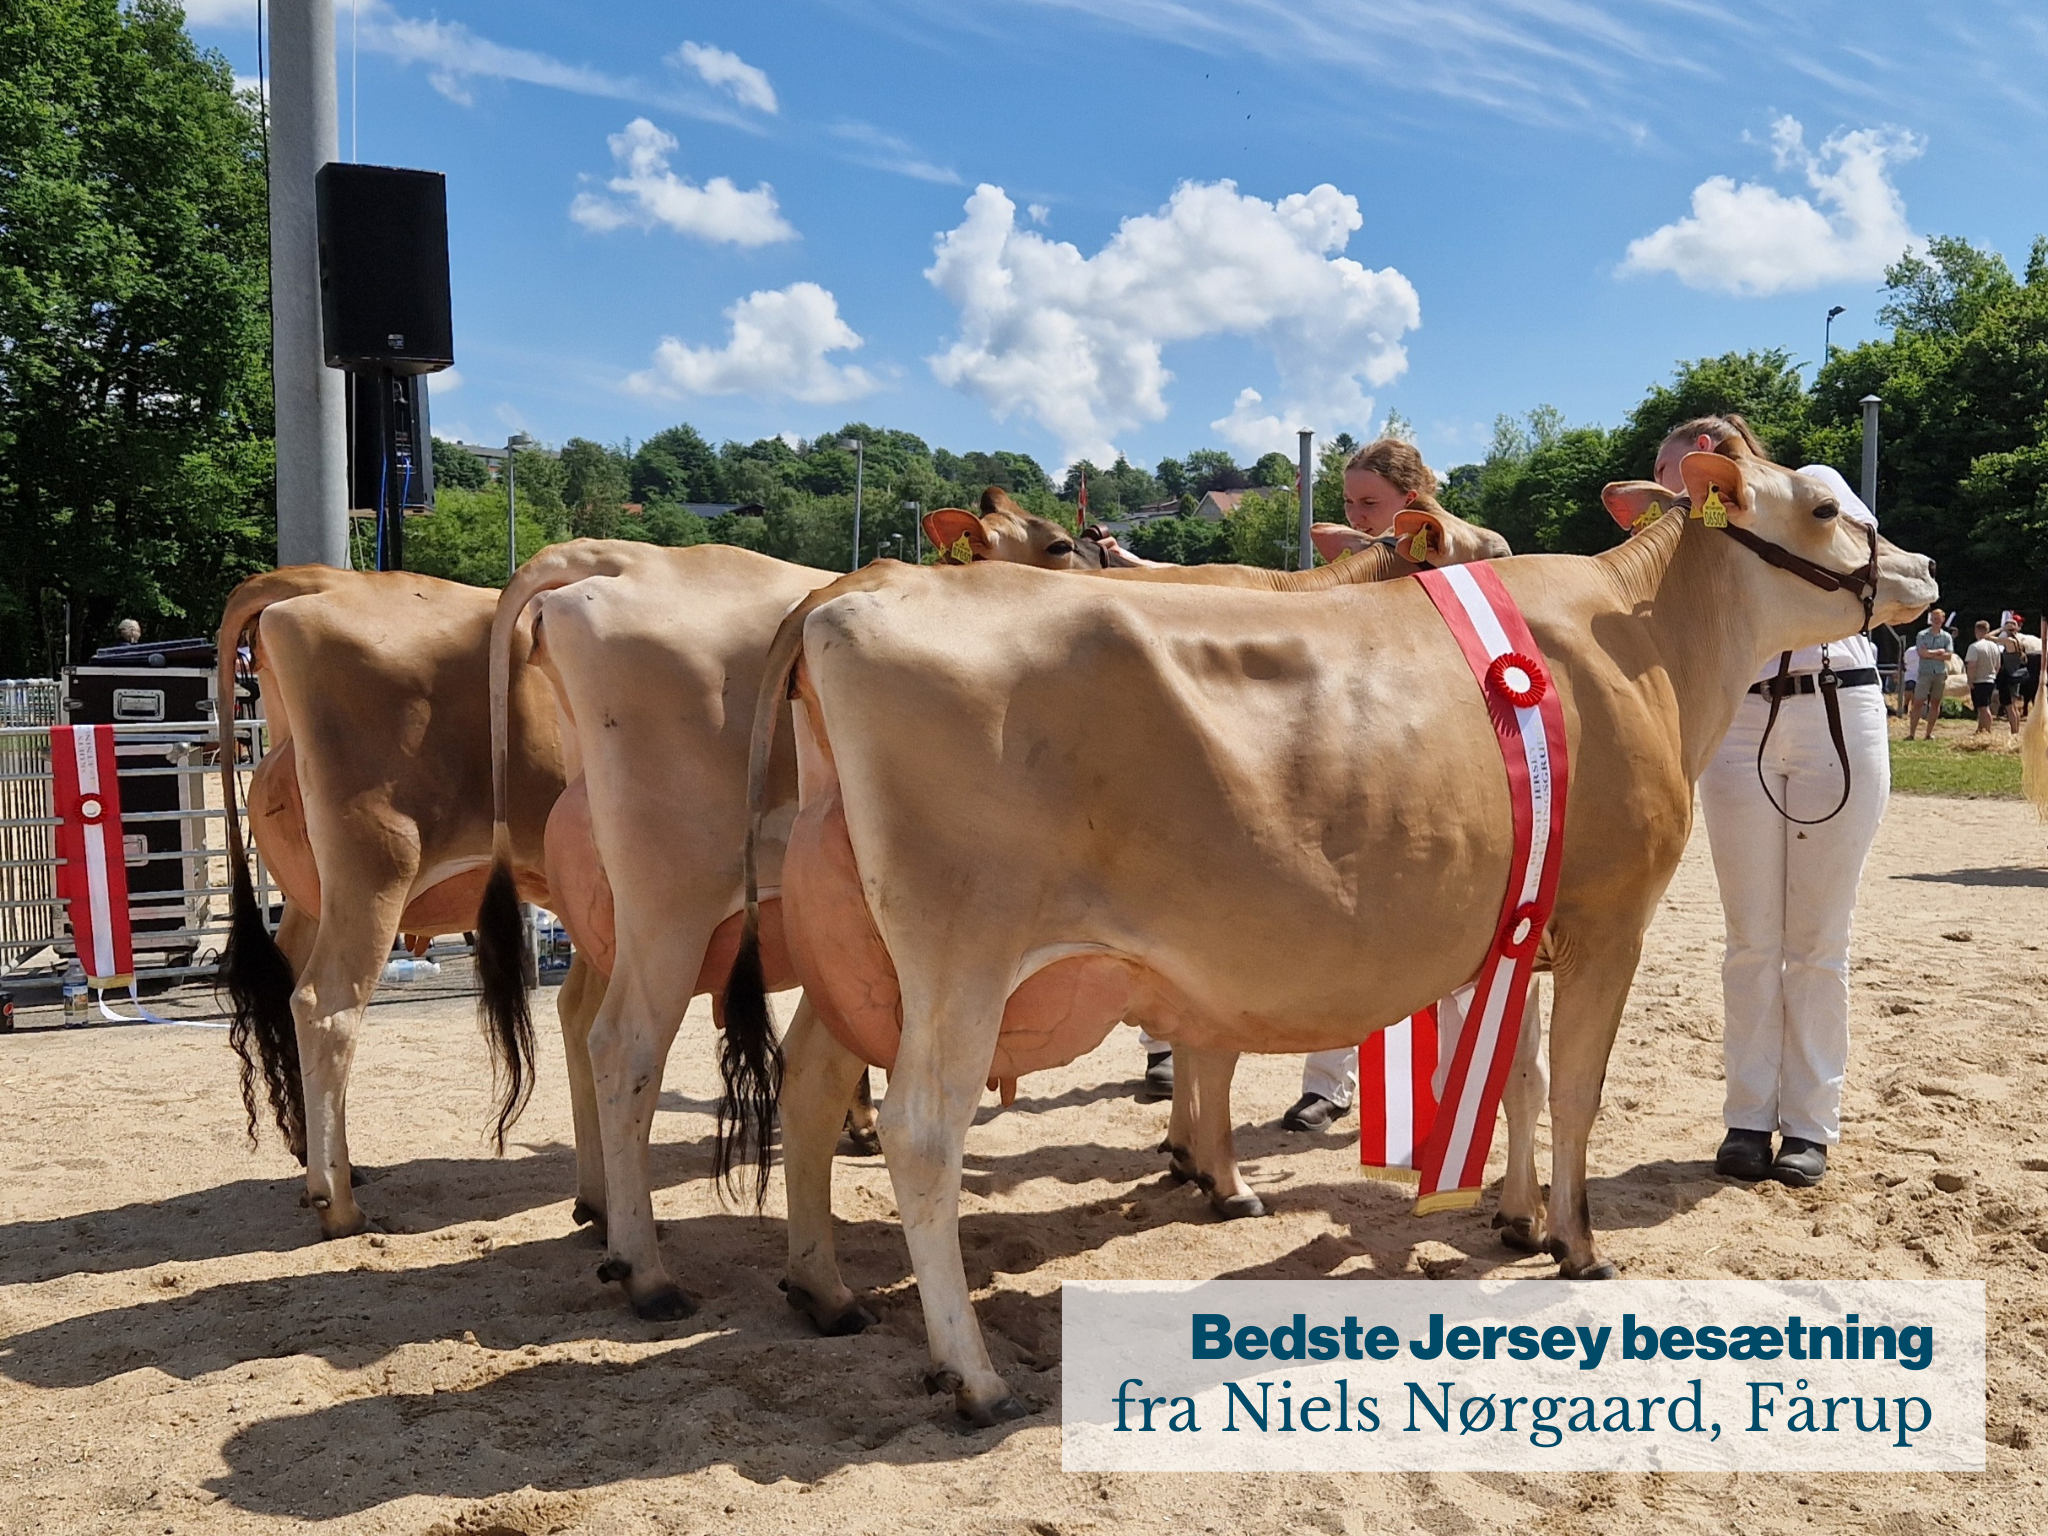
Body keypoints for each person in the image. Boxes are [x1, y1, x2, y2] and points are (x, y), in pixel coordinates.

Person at [1652, 417, 1889, 1189]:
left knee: (1818, 940)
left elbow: (1857, 561)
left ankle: (1812, 1125)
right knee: (1750, 938)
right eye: (1669, 481)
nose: (1681, 492)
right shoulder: (1680, 539)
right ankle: (1748, 1119)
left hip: (1835, 702)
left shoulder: (1812, 486)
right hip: (1739, 712)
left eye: (1692, 475)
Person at [1282, 437, 1462, 1132]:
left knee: (1446, 933)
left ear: (1410, 502)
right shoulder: (1348, 563)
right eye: (1349, 502)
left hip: (1439, 761)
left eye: (1370, 503)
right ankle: (1327, 1083)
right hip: (1353, 757)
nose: (1356, 516)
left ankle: (1446, 1093)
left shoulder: (1466, 549)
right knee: (1342, 922)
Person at [1906, 608, 1954, 739]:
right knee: (1918, 702)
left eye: (1938, 618)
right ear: (1930, 619)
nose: (1936, 621)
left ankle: (1928, 733)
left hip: (1939, 673)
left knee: (1935, 703)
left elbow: (1949, 656)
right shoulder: (1922, 635)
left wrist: (1930, 654)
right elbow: (1921, 653)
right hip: (1925, 673)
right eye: (1934, 618)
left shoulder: (1946, 637)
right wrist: (1939, 652)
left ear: (1943, 619)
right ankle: (1912, 733)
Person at [1966, 619, 2004, 734]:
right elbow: (1998, 665)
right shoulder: (1995, 647)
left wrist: (1970, 680)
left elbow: (1971, 665)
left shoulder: (1974, 647)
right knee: (1982, 706)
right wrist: (1993, 675)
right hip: (1990, 679)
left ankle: (1987, 730)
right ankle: (1980, 729)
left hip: (1979, 680)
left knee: (1983, 707)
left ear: (1976, 631)